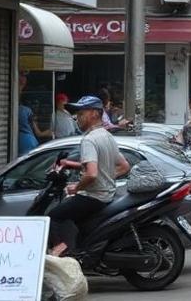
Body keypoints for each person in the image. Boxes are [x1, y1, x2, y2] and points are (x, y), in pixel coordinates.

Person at [48, 96, 130, 256]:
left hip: (93, 197)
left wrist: (76, 188)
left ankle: (59, 255)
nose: (77, 118)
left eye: (81, 113)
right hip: (106, 196)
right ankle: (77, 250)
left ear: (94, 114)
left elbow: (91, 174)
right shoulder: (106, 136)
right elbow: (124, 166)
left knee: (54, 217)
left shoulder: (89, 140)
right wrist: (70, 164)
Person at [18, 73, 51, 155]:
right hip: (29, 144)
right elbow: (38, 133)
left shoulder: (21, 110)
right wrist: (49, 132)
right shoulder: (26, 111)